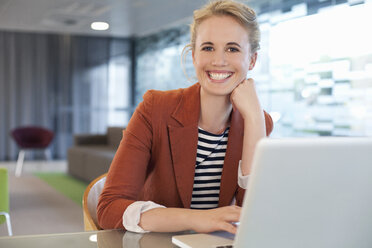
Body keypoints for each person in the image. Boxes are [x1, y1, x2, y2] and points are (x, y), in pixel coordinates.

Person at [97, 0, 273, 234]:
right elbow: (109, 208)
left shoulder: (259, 122)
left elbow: (255, 212)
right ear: (193, 56)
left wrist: (253, 118)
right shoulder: (155, 108)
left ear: (251, 60)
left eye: (232, 49)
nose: (218, 61)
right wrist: (195, 219)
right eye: (208, 48)